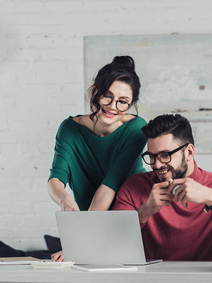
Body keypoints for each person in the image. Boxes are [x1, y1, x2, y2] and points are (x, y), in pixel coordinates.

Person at [113, 114, 212, 261]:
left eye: (165, 155)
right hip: (149, 280)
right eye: (151, 156)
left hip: (207, 281)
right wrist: (144, 211)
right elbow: (110, 248)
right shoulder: (134, 187)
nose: (156, 164)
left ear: (189, 152)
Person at [48, 56, 147, 261]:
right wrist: (65, 199)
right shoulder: (69, 129)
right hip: (93, 222)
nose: (112, 106)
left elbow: (108, 186)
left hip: (133, 223)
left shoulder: (136, 130)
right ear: (95, 92)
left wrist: (81, 242)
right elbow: (56, 178)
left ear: (130, 105)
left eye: (123, 102)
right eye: (107, 96)